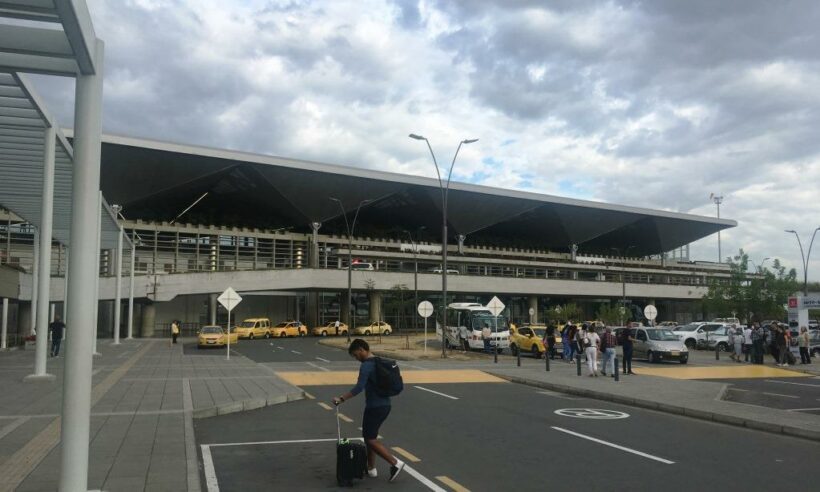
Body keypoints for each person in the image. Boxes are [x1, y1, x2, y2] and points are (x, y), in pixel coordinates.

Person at [333, 339, 405, 482]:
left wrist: (341, 399)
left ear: (361, 349)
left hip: (375, 407)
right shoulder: (377, 361)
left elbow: (359, 387)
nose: (356, 358)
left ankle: (395, 463)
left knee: (370, 439)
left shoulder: (367, 366)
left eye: (355, 355)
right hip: (384, 405)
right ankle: (371, 469)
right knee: (369, 437)